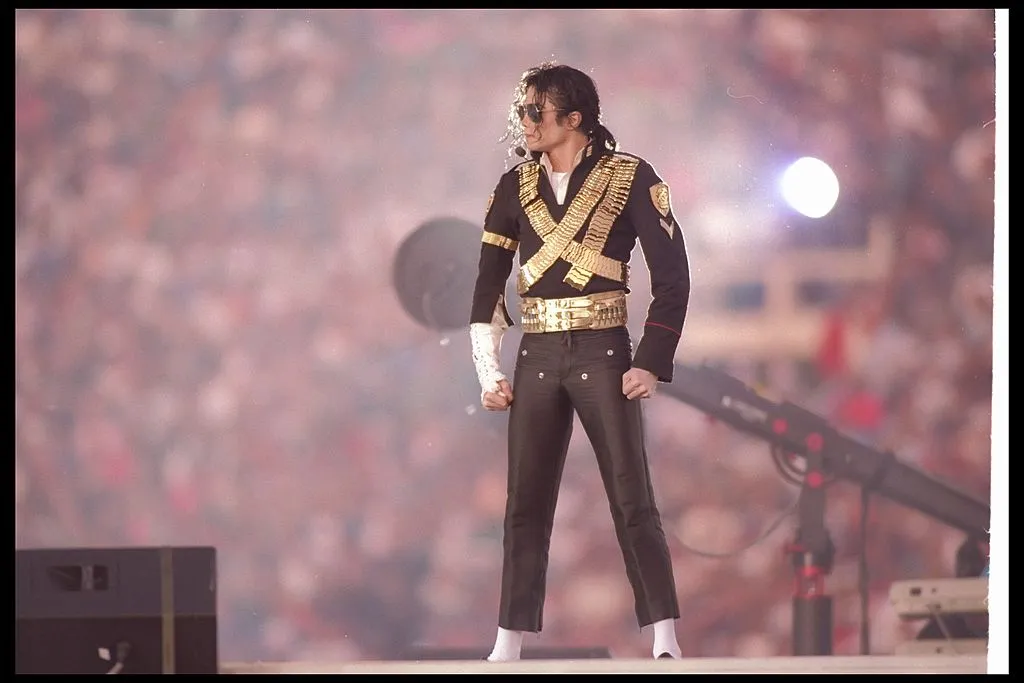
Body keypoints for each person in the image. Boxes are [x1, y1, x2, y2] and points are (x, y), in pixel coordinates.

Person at [468, 62, 691, 662]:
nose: (524, 122)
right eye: (523, 110)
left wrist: (650, 359)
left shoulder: (630, 176)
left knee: (630, 494)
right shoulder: (511, 187)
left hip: (604, 349)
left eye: (536, 111)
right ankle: (507, 640)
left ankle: (663, 633)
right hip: (536, 351)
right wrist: (489, 372)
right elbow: (487, 291)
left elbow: (672, 277)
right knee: (525, 501)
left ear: (575, 118)